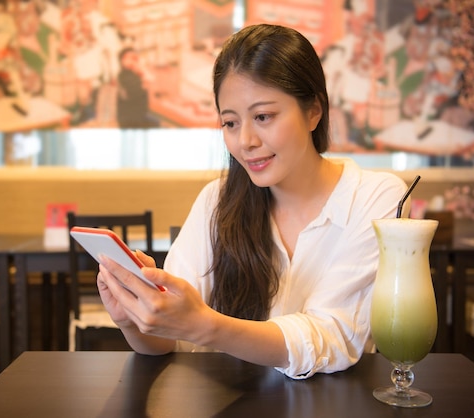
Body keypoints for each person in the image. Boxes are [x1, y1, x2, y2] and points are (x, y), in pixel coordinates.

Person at [97, 24, 407, 379]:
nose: (245, 141)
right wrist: (135, 322)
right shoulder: (217, 201)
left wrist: (205, 325)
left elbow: (331, 336)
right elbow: (171, 338)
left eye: (263, 117)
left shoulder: (376, 197)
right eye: (230, 122)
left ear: (313, 112)